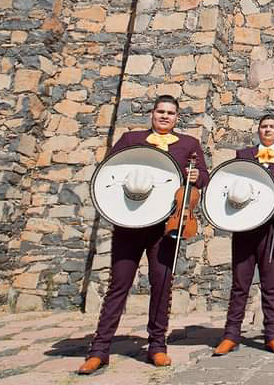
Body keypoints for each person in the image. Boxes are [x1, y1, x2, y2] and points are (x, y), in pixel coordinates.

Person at [78, 95, 209, 375]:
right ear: (152, 113)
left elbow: (205, 179)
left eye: (170, 113)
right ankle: (99, 349)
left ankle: (157, 346)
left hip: (165, 225)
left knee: (162, 284)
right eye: (161, 111)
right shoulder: (130, 139)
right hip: (129, 222)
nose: (165, 116)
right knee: (119, 285)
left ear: (177, 117)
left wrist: (197, 176)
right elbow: (109, 173)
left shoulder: (189, 145)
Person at [213, 111, 274, 356]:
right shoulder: (243, 156)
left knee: (271, 285)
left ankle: (273, 335)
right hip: (245, 227)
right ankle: (231, 335)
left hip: (273, 229)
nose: (267, 130)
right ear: (258, 130)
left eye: (272, 126)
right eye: (264, 126)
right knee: (240, 284)